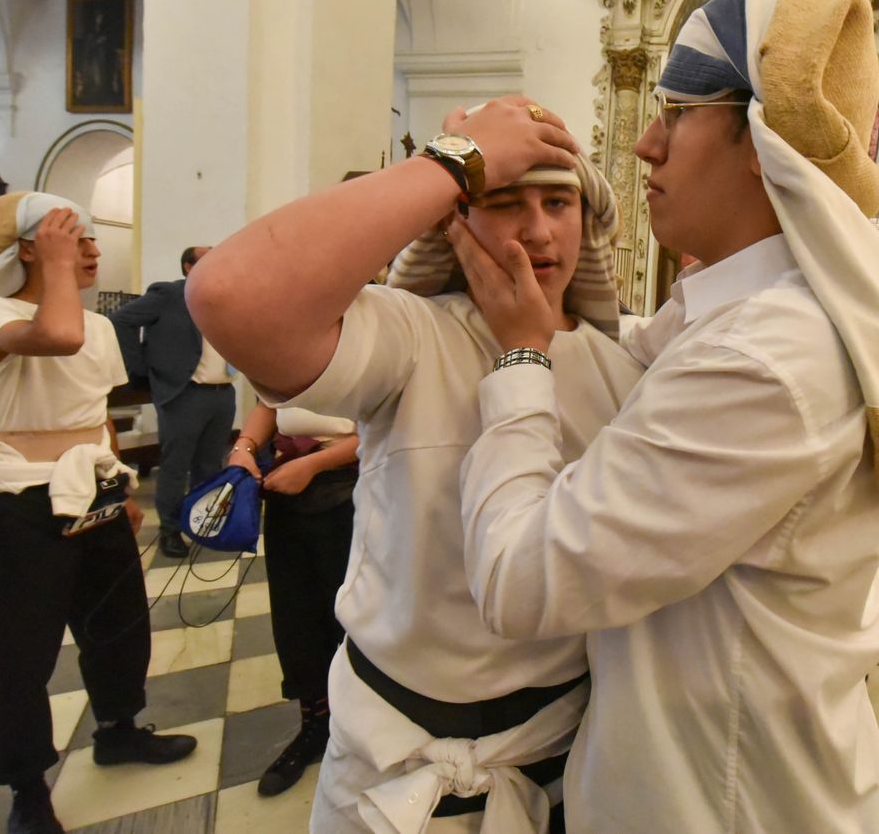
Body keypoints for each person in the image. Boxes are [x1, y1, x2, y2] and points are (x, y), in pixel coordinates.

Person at [449, 0, 879, 832]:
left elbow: (521, 581)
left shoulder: (763, 355)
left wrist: (520, 354)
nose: (644, 145)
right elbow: (642, 370)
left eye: (678, 110)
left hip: (722, 800)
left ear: (760, 140)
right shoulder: (745, 313)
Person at [185, 99, 644, 831]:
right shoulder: (414, 335)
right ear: (455, 221)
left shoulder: (624, 365)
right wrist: (455, 160)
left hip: (556, 756)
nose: (536, 230)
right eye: (503, 201)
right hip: (389, 756)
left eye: (558, 201)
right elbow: (230, 294)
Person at [0, 193, 196, 834]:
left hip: (93, 493)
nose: (94, 251)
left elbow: (92, 415)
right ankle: (27, 786)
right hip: (19, 508)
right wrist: (51, 263)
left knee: (118, 626)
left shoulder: (99, 327)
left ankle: (119, 728)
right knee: (18, 655)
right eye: (74, 240)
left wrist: (120, 490)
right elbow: (55, 335)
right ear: (30, 246)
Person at [223, 402, 359, 797]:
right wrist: (244, 449)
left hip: (356, 487)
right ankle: (314, 726)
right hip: (288, 484)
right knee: (296, 616)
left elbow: (390, 426)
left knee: (355, 620)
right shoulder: (284, 346)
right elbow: (268, 401)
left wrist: (316, 464)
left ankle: (367, 727)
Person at [111, 247, 236, 558]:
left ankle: (203, 524)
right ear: (188, 267)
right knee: (176, 466)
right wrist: (141, 369)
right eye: (206, 259)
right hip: (185, 393)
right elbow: (121, 320)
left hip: (223, 393)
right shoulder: (168, 295)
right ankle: (170, 530)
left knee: (209, 465)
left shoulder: (227, 297)